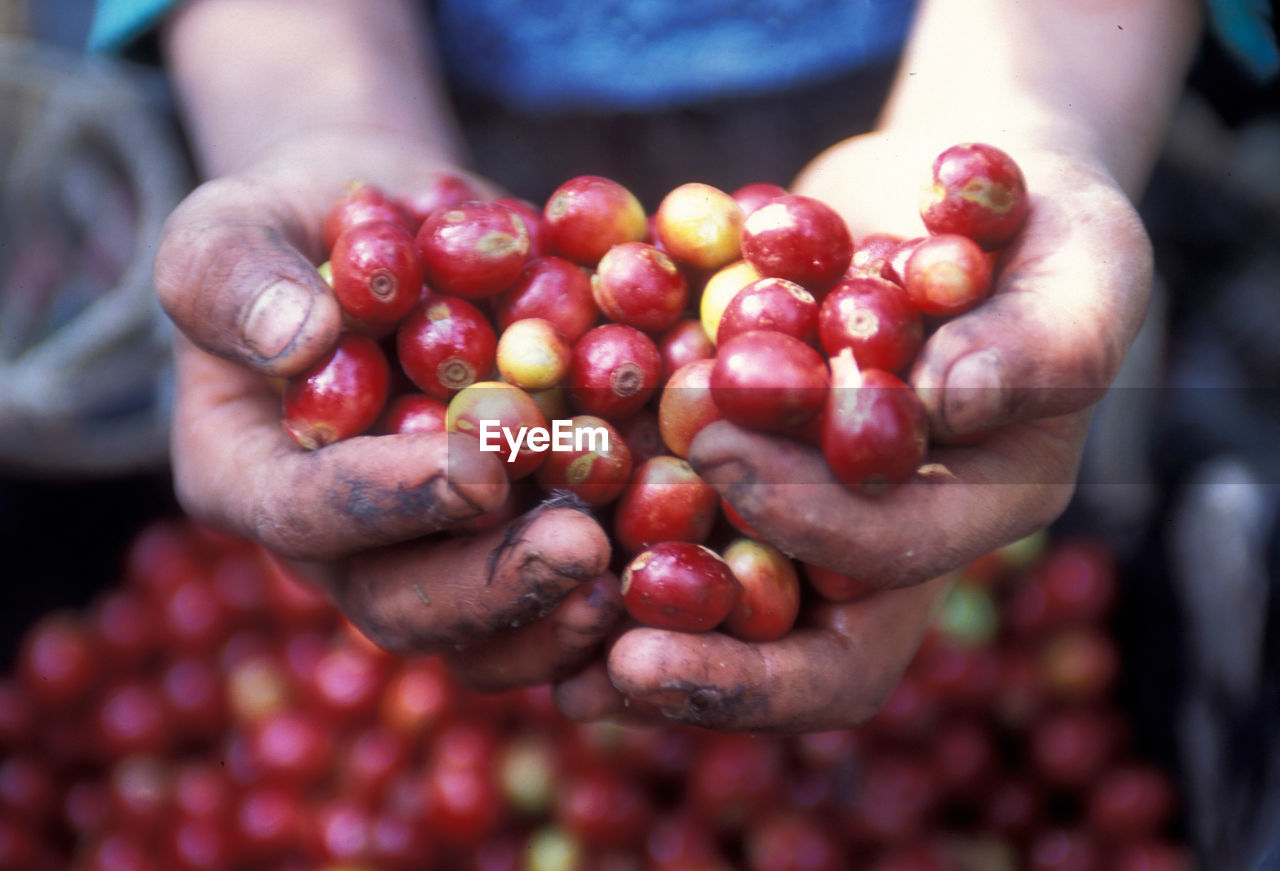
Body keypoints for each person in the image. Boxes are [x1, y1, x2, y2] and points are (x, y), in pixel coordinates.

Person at [89, 0, 1211, 733]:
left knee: (994, 486)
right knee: (544, 558)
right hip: (428, 100)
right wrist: (307, 108)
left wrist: (1036, 107)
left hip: (978, 59)